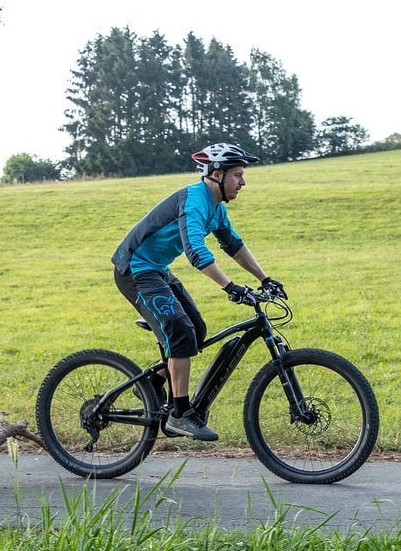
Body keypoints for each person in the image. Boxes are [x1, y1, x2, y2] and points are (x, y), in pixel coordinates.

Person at [112, 143, 286, 441]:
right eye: (238, 175)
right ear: (216, 174)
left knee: (197, 330)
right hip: (135, 269)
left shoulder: (215, 207)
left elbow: (234, 245)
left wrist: (265, 278)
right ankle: (180, 414)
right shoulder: (195, 200)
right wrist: (230, 287)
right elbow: (195, 251)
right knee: (180, 330)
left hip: (157, 268)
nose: (243, 182)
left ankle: (153, 383)